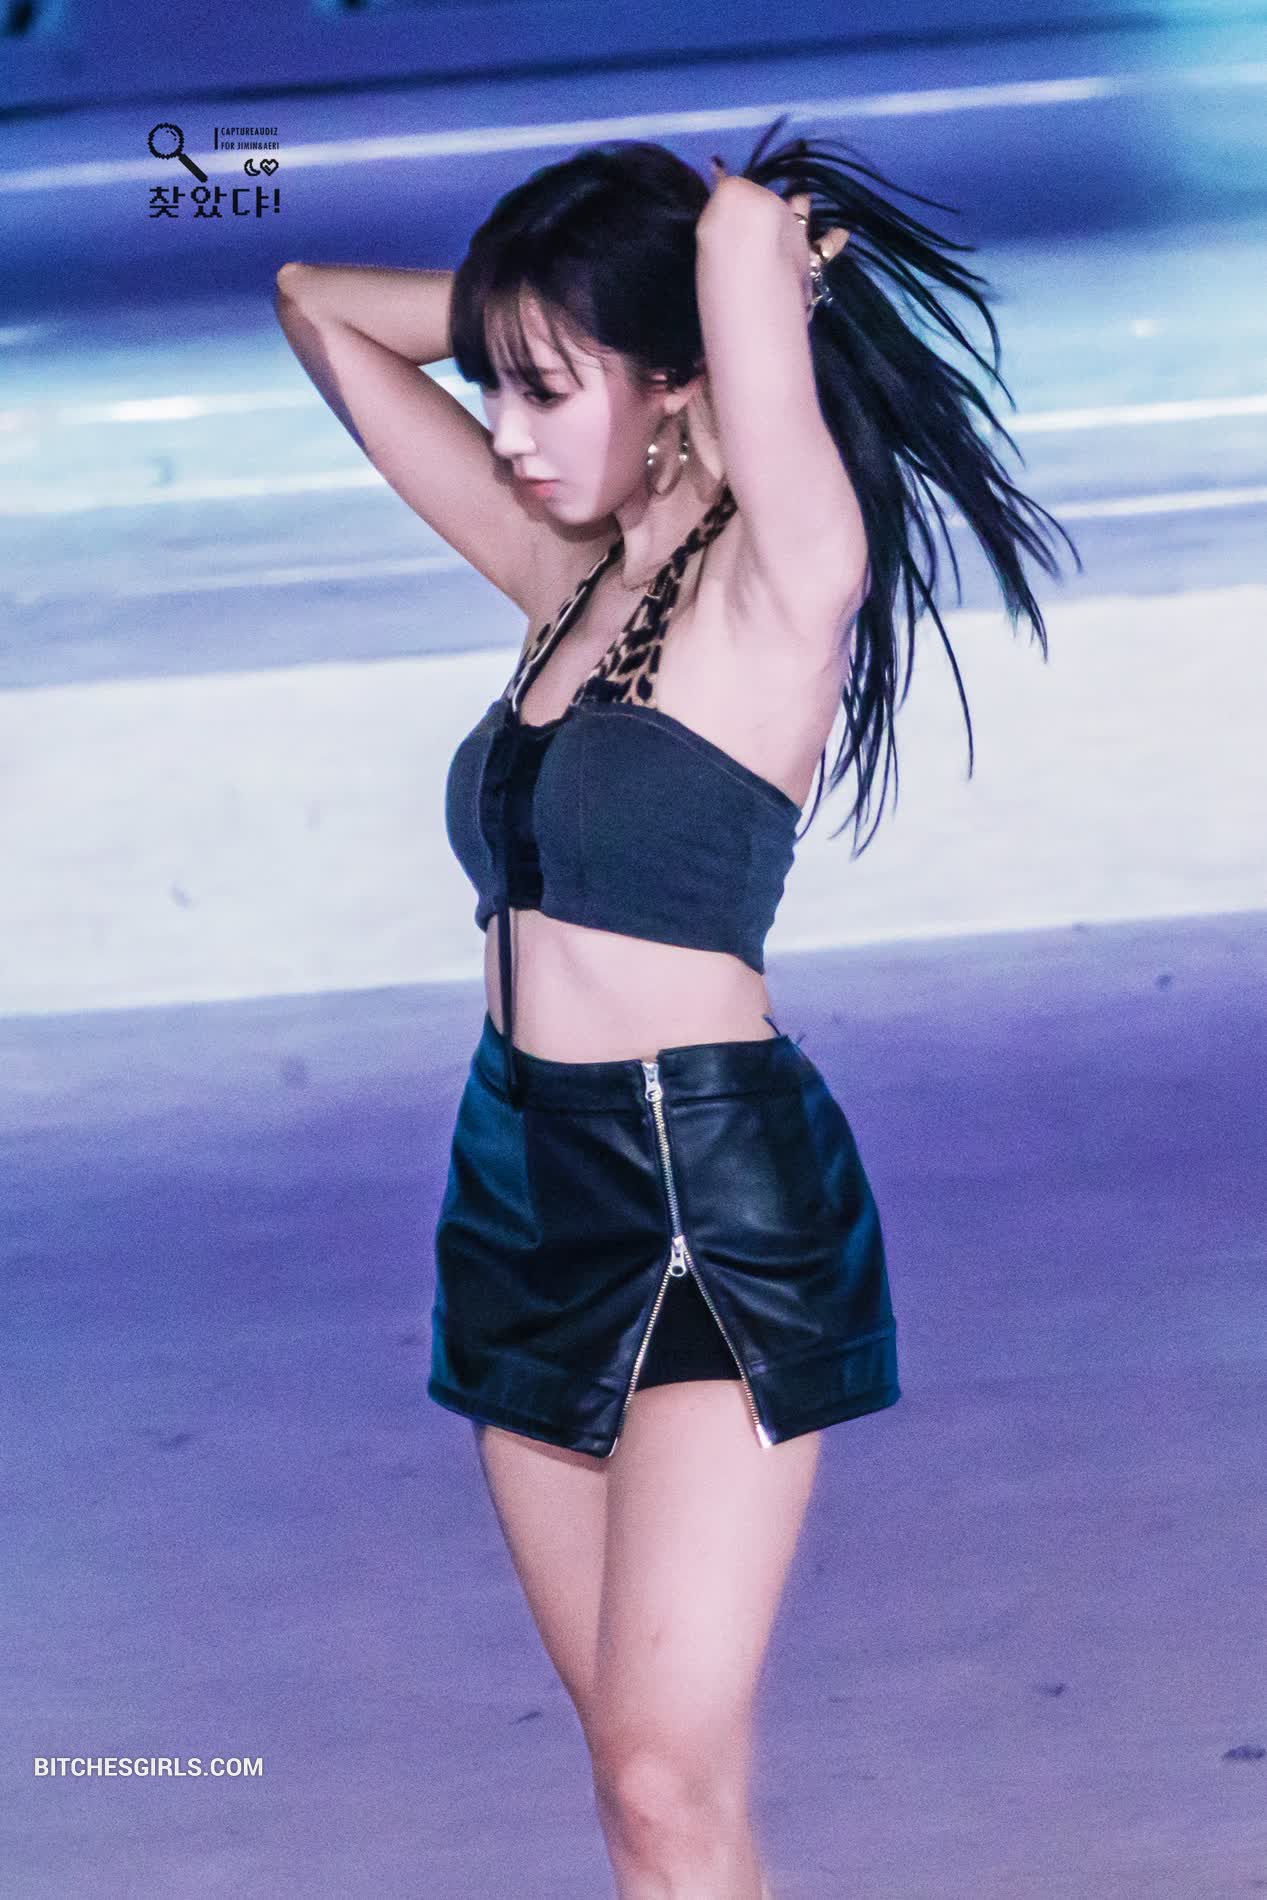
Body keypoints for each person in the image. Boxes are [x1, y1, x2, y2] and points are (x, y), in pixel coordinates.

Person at [274, 120, 1078, 1900]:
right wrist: (541, 322)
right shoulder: (563, 573)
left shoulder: (785, 576)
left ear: (677, 380)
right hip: (520, 1186)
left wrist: (716, 286)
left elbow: (729, 232)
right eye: (497, 386)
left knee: (659, 1784)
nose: (506, 428)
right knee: (655, 1799)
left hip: (706, 1197)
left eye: (549, 386)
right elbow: (316, 303)